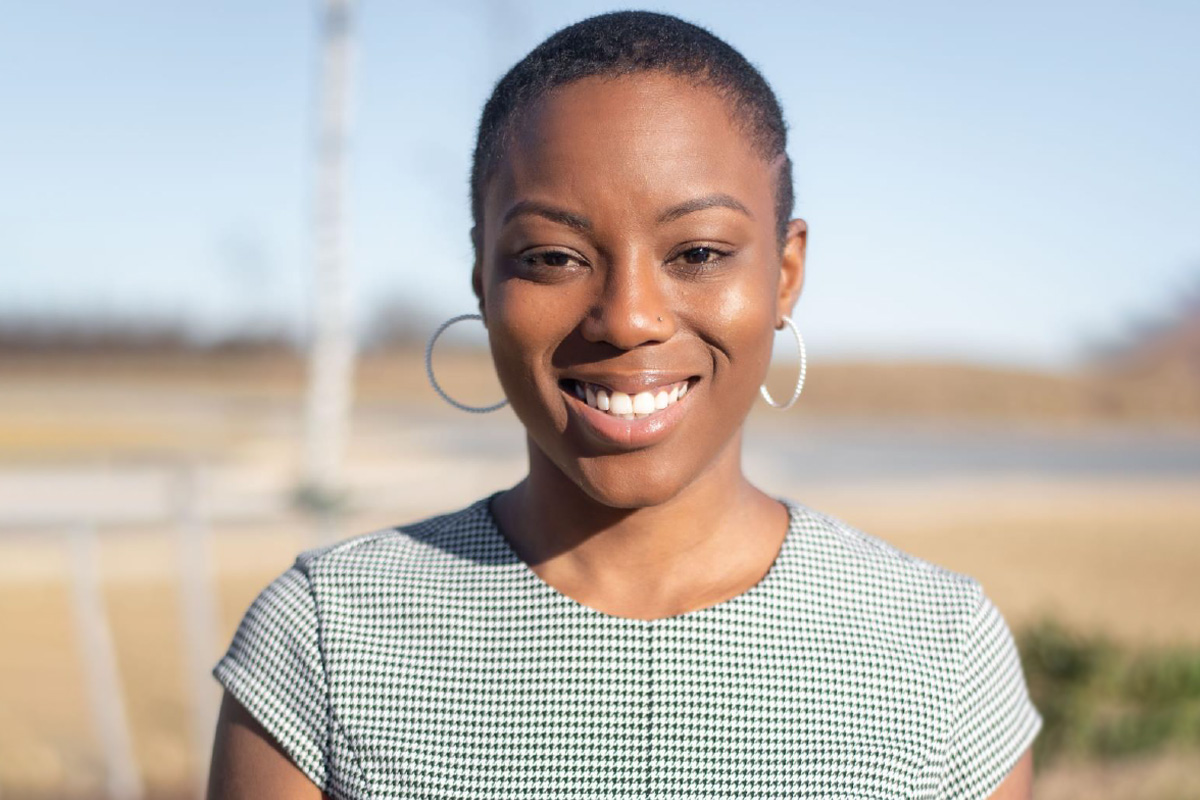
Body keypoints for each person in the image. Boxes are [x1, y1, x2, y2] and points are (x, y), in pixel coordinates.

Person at [207, 11, 1041, 799]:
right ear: (482, 277)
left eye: (700, 252)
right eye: (554, 256)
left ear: (784, 275)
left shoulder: (938, 652)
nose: (629, 316)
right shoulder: (327, 637)